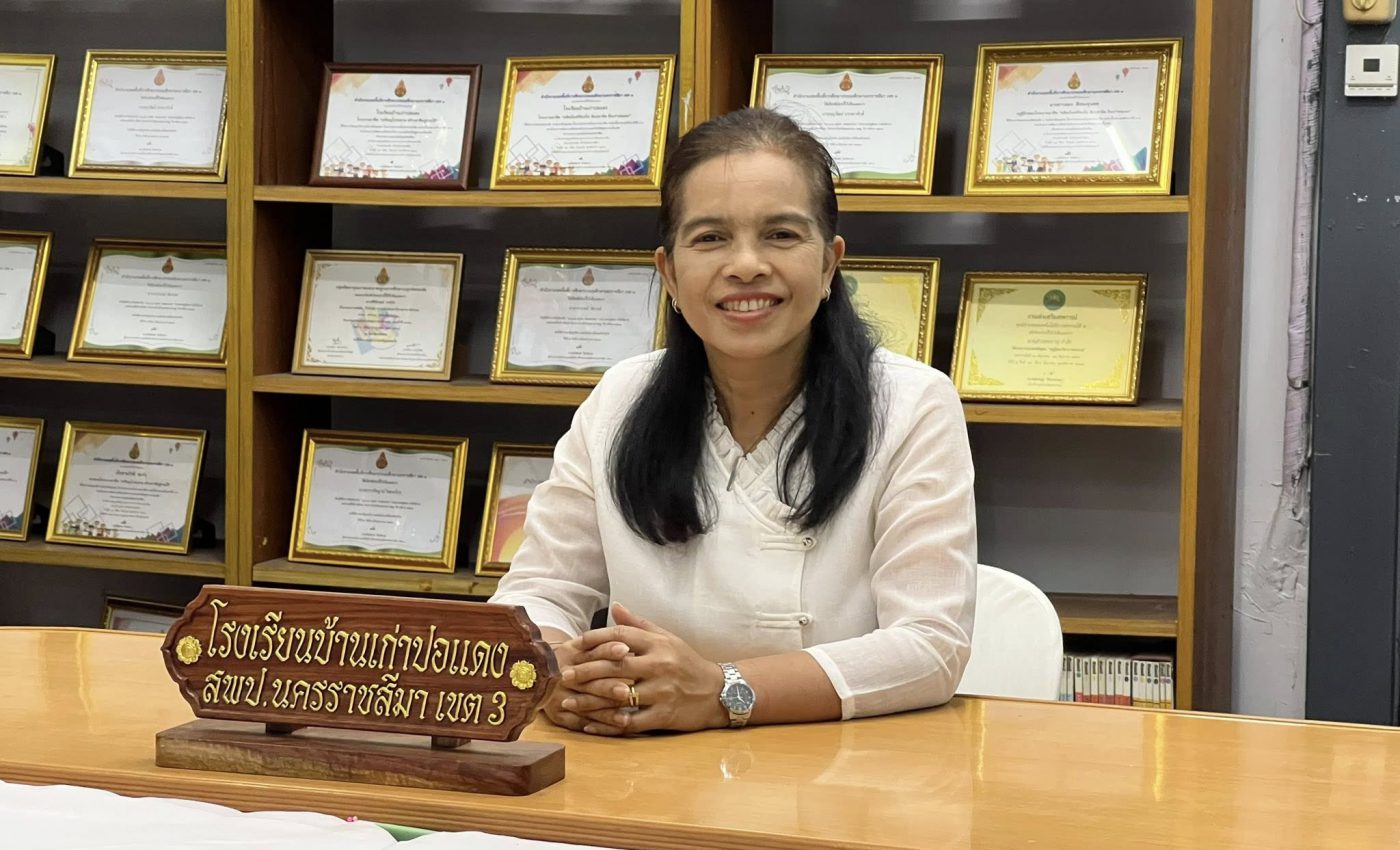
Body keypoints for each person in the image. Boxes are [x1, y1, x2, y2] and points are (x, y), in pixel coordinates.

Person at [490, 107, 976, 737]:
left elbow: (931, 646)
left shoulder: (911, 404)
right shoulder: (619, 399)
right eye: (710, 238)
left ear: (829, 265)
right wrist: (556, 676)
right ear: (668, 271)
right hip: (643, 760)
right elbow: (538, 592)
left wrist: (722, 692)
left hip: (839, 762)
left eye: (781, 234)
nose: (746, 265)